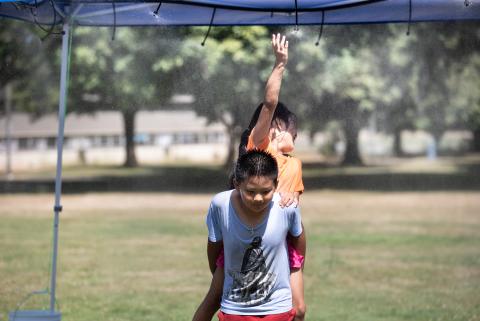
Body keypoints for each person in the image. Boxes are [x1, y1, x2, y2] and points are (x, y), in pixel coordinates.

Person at [193, 33, 306, 321]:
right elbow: (269, 104)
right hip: (239, 243)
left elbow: (296, 222)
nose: (283, 135)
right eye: (277, 128)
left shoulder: (293, 165)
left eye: (289, 132)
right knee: (214, 298)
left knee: (300, 310)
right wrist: (280, 64)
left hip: (278, 246)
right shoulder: (259, 148)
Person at [204, 149, 304, 320]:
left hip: (277, 308)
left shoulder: (287, 208)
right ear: (237, 184)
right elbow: (214, 249)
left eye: (266, 191)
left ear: (276, 184)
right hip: (235, 309)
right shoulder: (220, 205)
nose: (258, 198)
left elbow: (299, 247)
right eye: (250, 192)